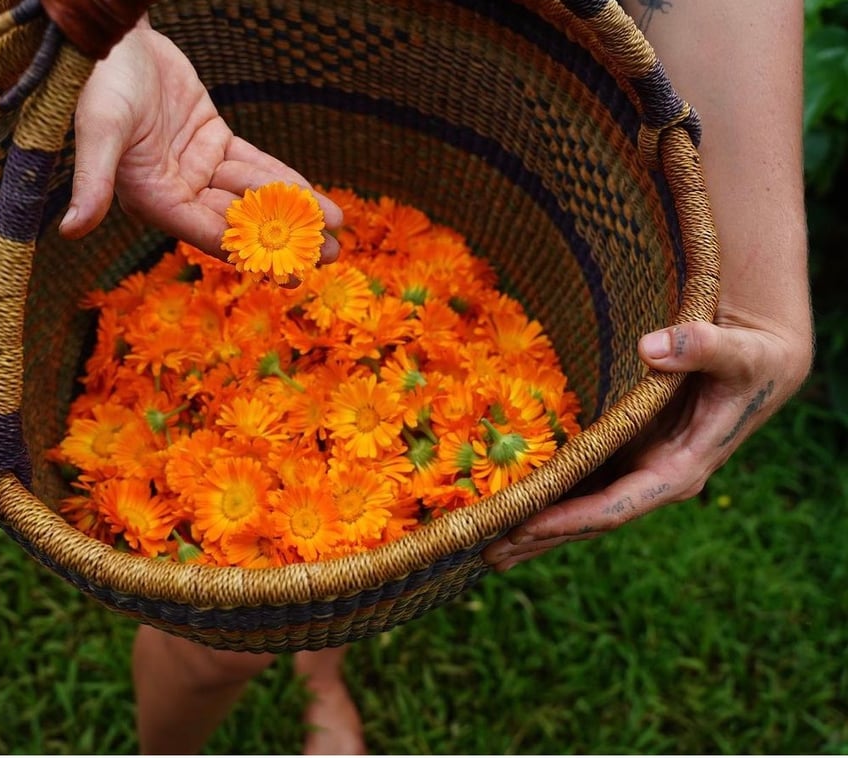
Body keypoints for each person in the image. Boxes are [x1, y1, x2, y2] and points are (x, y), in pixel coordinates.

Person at [59, 3, 812, 753]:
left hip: (509, 67)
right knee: (217, 644)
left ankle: (320, 667)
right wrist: (106, 31)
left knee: (356, 578)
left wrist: (765, 294)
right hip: (213, 43)